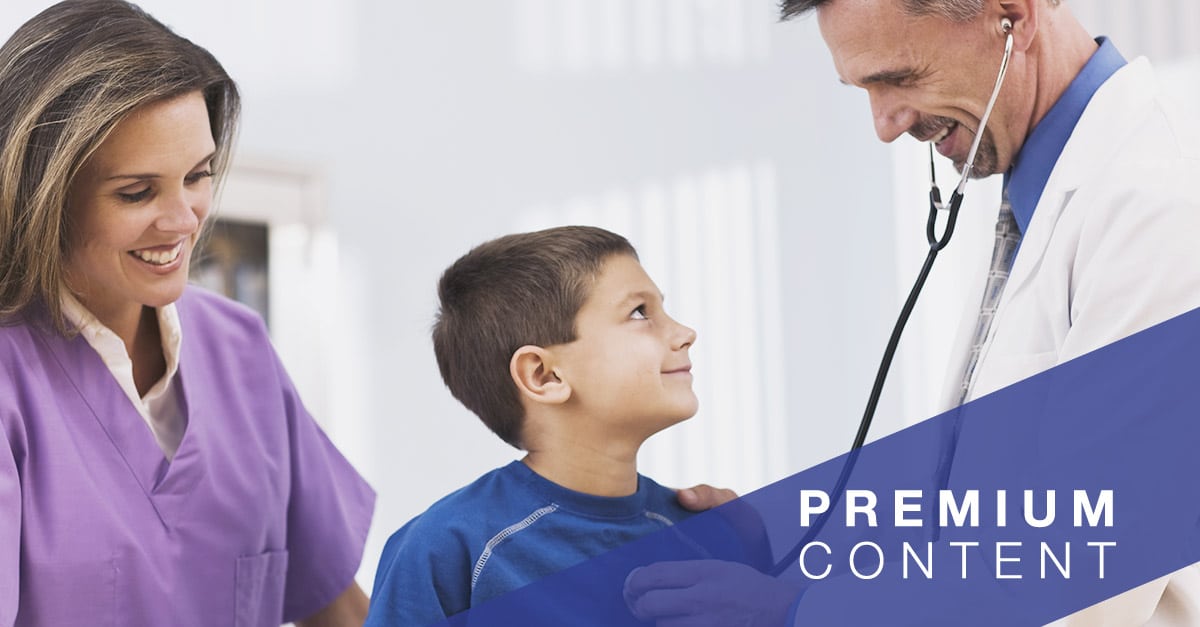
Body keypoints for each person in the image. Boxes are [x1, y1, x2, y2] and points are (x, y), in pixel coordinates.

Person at [625, 0, 1200, 624]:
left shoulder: (1160, 204)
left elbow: (1088, 575)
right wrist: (783, 562)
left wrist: (796, 611)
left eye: (899, 79)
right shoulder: (1048, 189)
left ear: (1014, 15)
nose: (885, 124)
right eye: (863, 89)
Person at [0, 1, 375, 625]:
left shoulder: (238, 346)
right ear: (43, 196)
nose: (184, 222)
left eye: (197, 176)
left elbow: (335, 603)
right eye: (136, 192)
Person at [365, 226, 765, 626]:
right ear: (544, 376)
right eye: (640, 312)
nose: (685, 333)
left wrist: (761, 560)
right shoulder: (448, 548)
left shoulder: (703, 536)